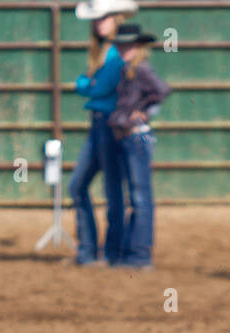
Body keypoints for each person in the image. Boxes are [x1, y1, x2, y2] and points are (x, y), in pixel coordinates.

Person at [69, 0, 137, 266]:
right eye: (97, 19)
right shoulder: (106, 52)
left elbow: (99, 87)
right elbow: (95, 86)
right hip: (99, 124)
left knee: (107, 190)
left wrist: (84, 83)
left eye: (104, 18)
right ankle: (94, 251)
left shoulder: (114, 53)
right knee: (84, 186)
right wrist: (89, 84)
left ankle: (106, 251)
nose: (99, 23)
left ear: (115, 18)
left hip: (107, 126)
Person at [109, 22, 169, 270]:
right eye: (122, 44)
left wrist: (142, 111)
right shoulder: (130, 69)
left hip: (136, 138)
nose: (124, 49)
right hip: (130, 137)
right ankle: (135, 254)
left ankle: (140, 255)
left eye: (128, 45)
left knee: (140, 197)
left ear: (138, 46)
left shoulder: (140, 69)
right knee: (137, 196)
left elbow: (162, 90)